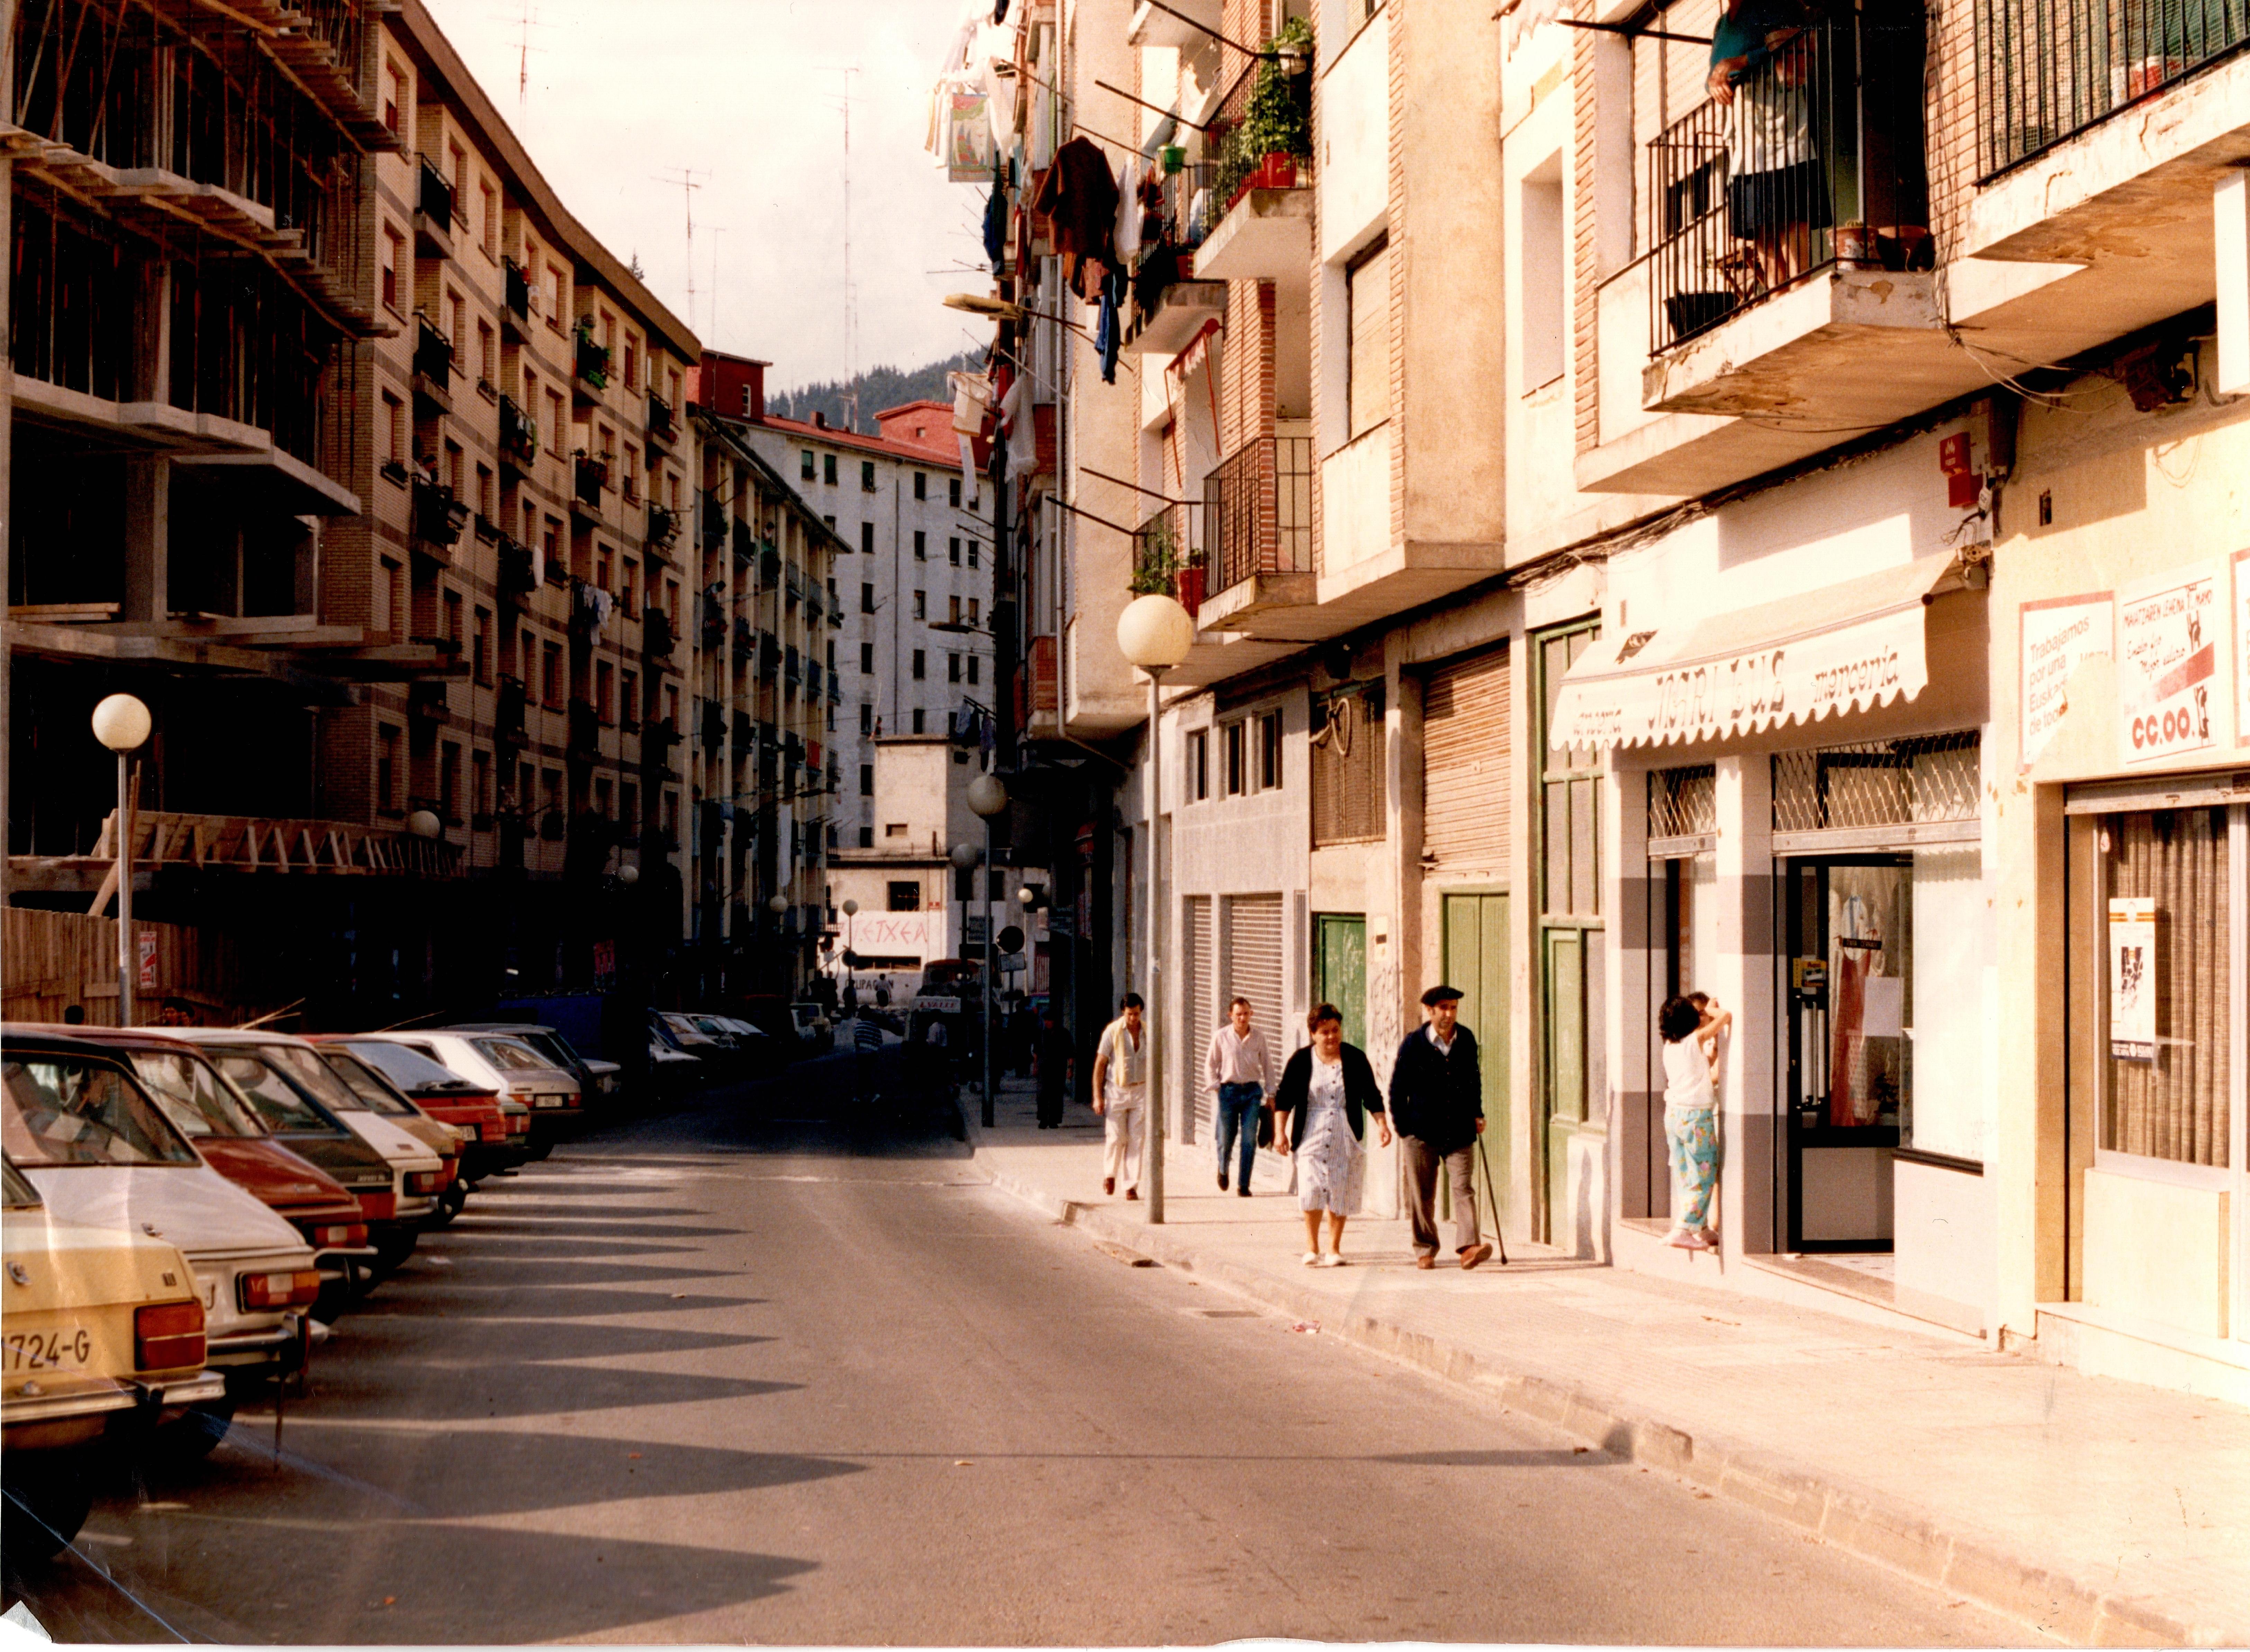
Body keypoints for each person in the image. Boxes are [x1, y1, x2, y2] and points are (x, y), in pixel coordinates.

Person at [1707, 0, 1824, 293]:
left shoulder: (1775, 5)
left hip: (1782, 125)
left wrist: (1737, 63)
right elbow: (1714, 74)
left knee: (1791, 223)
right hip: (1746, 137)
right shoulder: (1722, 25)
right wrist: (1714, 82)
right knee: (1764, 234)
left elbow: (1795, 43)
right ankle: (1777, 296)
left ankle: (1800, 290)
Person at [1275, 1003, 1391, 1266]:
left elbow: (1371, 1095)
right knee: (1311, 1186)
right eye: (1324, 1031)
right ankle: (1312, 1246)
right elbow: (1285, 1098)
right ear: (1313, 1034)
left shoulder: (1355, 1058)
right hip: (1310, 1130)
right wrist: (1280, 1132)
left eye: (1335, 1030)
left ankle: (1334, 1249)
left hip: (1343, 1129)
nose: (1331, 1036)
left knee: (1340, 1187)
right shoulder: (1301, 1060)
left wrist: (1382, 1125)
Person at [1389, 985, 1493, 1271]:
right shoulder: (1413, 1044)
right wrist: (1403, 1129)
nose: (1449, 1014)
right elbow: (1398, 1089)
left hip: (1459, 1129)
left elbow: (1473, 1080)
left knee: (1463, 1187)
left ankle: (1468, 1247)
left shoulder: (1467, 1039)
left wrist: (1478, 1112)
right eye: (1444, 1008)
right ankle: (1425, 1249)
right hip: (1420, 1131)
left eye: (1453, 1008)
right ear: (1430, 1011)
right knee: (1422, 1195)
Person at [1660, 993, 1732, 1251]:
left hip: (1674, 1116)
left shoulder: (1670, 1047)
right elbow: (1726, 1017)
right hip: (1695, 1118)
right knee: (1704, 1173)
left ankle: (1699, 1228)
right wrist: (1711, 1011)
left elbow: (1699, 1069)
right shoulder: (1694, 1040)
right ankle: (1683, 1228)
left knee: (1687, 1174)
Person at [1202, 996, 1275, 1196]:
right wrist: (1216, 1087)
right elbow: (1210, 1065)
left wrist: (1271, 1094)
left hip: (1252, 1093)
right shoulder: (1221, 1036)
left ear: (1251, 1014)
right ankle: (1223, 1168)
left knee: (1249, 1138)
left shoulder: (1259, 1037)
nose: (1242, 1019)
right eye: (1238, 1015)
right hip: (1229, 1092)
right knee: (1226, 1137)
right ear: (1231, 1016)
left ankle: (1244, 1184)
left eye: (1246, 1014)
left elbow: (1268, 1066)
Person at [1091, 993, 1147, 1199]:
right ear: (1123, 1012)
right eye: (1130, 1014)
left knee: (1136, 1139)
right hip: (1117, 1091)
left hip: (1141, 1090)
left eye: (1137, 1014)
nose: (1134, 1018)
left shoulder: (1147, 1031)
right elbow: (1100, 1065)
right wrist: (1098, 1097)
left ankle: (1131, 1186)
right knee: (1116, 1137)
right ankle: (1110, 1175)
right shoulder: (1112, 1032)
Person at [1034, 1008, 1074, 1129]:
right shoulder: (1041, 1034)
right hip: (1044, 1068)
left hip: (1058, 1067)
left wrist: (1070, 1068)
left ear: (1054, 1021)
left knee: (1056, 1094)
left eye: (1049, 1020)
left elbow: (1070, 1052)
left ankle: (1054, 1120)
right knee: (1042, 1094)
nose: (1047, 1023)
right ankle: (1043, 1119)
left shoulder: (1064, 1033)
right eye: (1045, 1020)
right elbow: (1036, 1052)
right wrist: (1035, 1066)